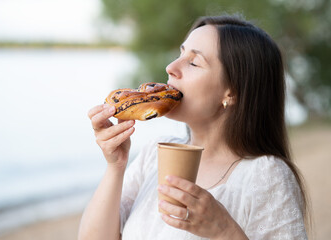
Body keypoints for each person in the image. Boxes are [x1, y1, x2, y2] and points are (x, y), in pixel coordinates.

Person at [78, 15, 309, 240]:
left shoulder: (266, 175)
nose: (170, 68)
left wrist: (224, 232)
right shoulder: (153, 154)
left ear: (232, 92)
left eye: (193, 62)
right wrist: (115, 166)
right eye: (180, 53)